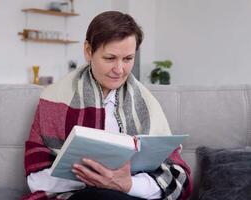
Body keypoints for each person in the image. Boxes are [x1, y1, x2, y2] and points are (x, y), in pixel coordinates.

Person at [22, 11, 192, 200]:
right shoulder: (53, 100)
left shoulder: (148, 105)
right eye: (110, 58)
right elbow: (35, 179)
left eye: (128, 59)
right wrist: (94, 177)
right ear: (88, 51)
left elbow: (179, 178)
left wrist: (128, 184)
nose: (119, 70)